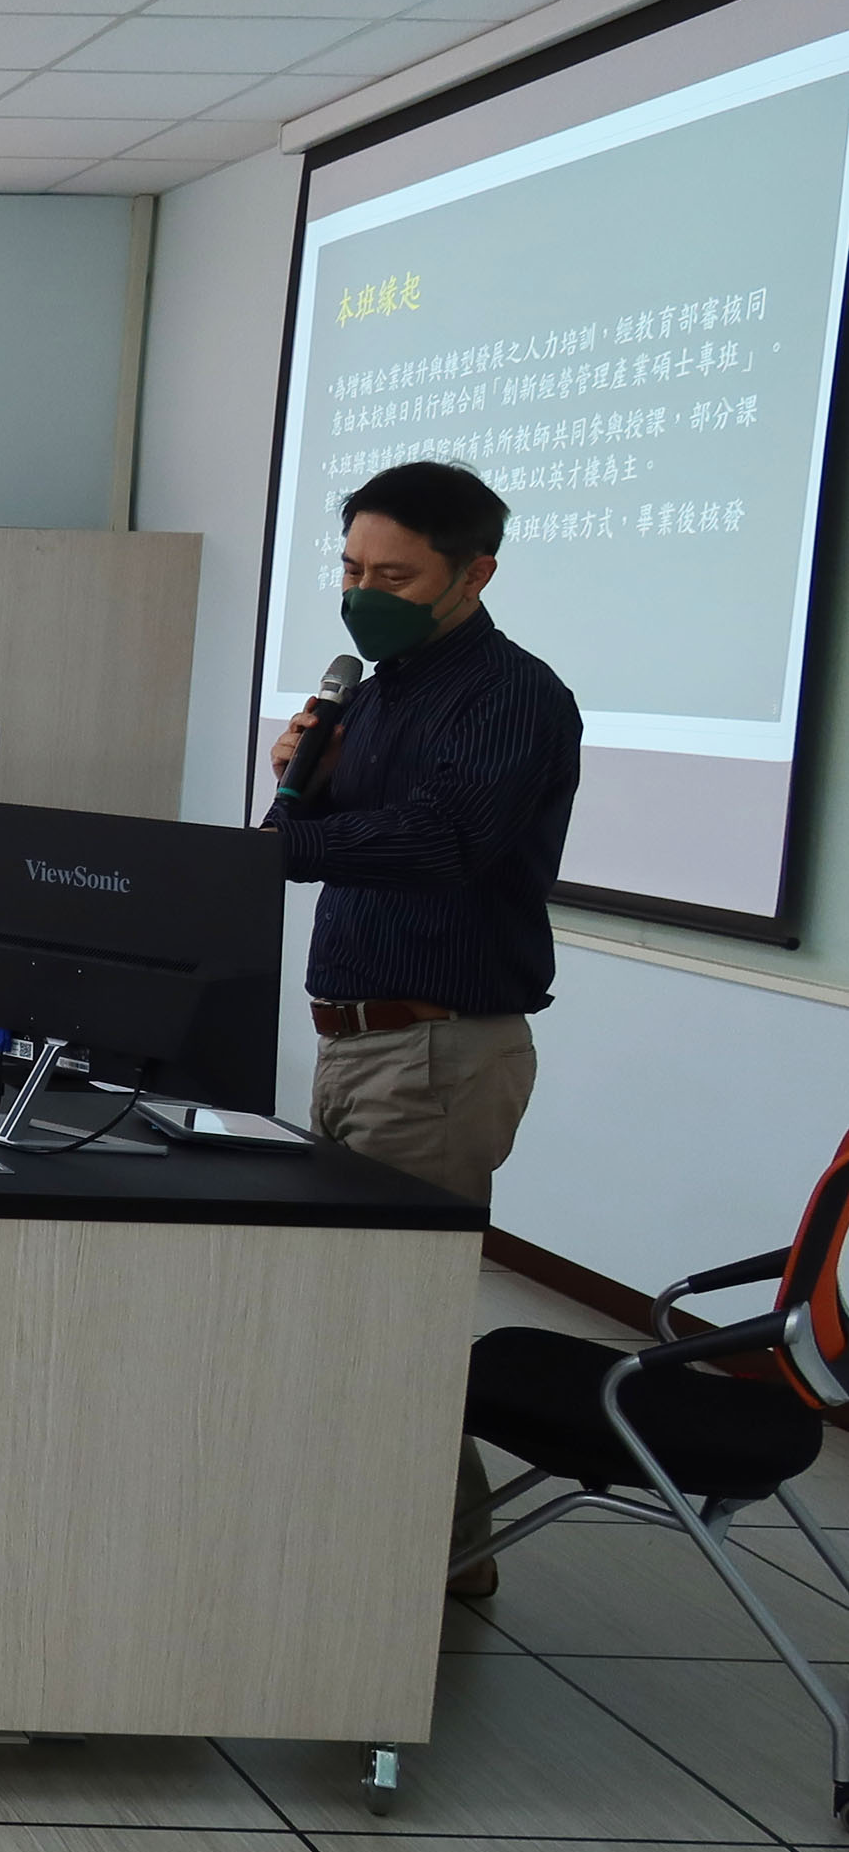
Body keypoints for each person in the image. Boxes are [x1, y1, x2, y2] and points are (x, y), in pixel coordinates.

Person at [265, 460, 581, 1600]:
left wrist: (282, 844)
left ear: (472, 573)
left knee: (392, 1316)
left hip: (440, 1050)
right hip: (354, 1041)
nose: (363, 593)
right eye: (351, 568)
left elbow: (442, 842)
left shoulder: (511, 696)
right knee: (368, 1308)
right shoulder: (373, 689)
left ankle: (424, 1566)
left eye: (392, 576)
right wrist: (297, 783)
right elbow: (314, 837)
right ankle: (420, 1546)